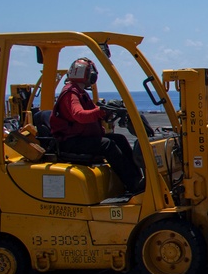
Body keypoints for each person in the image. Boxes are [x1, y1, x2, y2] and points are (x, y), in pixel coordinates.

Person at [49, 57, 144, 194]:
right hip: (70, 141)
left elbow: (93, 111)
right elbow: (80, 115)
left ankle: (137, 178)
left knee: (120, 139)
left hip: (80, 138)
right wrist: (101, 112)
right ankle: (131, 182)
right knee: (107, 144)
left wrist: (107, 112)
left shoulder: (80, 93)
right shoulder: (71, 93)